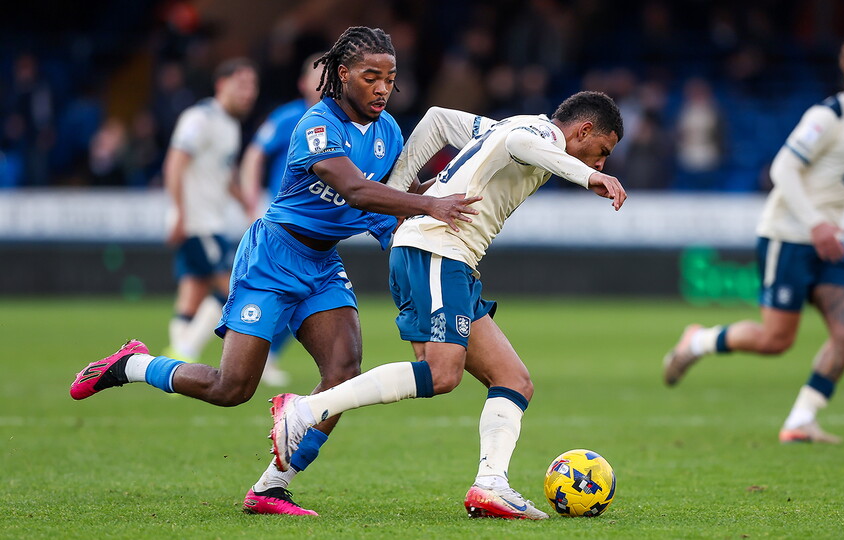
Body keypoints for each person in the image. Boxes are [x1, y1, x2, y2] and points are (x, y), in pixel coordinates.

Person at [70, 26, 480, 516]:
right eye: (371, 77)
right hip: (273, 258)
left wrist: (434, 225)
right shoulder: (317, 125)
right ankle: (132, 366)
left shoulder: (388, 131)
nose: (382, 88)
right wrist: (430, 204)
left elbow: (390, 201)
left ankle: (272, 486)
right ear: (342, 74)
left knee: (343, 371)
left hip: (323, 263)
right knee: (232, 388)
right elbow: (355, 190)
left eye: (390, 79)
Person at [267, 90, 627, 519]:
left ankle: (491, 484)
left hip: (442, 258)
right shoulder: (538, 134)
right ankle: (304, 410)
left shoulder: (507, 124)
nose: (601, 163)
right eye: (602, 151)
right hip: (439, 253)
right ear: (583, 130)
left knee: (513, 380)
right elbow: (523, 145)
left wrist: (396, 190)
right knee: (441, 373)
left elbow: (437, 119)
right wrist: (587, 177)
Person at [663, 35, 844, 444]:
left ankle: (801, 419)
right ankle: (697, 341)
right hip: (788, 235)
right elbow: (783, 168)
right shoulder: (828, 117)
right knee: (775, 341)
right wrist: (815, 224)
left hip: (830, 243)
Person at [161, 58, 260, 364]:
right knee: (234, 287)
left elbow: (223, 172)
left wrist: (245, 202)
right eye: (241, 85)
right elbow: (175, 163)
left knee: (192, 293)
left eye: (252, 87)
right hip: (197, 222)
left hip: (209, 221)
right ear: (221, 85)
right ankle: (184, 352)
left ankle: (176, 363)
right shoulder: (199, 118)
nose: (248, 93)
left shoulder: (230, 125)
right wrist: (179, 212)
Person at [237, 53, 325, 387]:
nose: (324, 86)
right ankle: (245, 355)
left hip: (315, 229)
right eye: (318, 79)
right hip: (282, 223)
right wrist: (251, 200)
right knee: (277, 291)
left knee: (301, 293)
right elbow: (255, 154)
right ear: (303, 83)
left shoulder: (343, 122)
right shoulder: (290, 117)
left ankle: (264, 357)